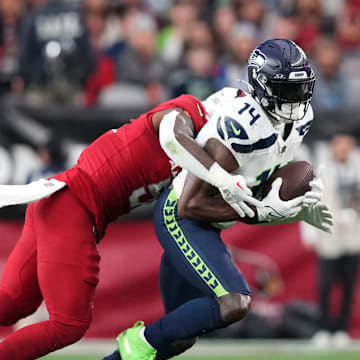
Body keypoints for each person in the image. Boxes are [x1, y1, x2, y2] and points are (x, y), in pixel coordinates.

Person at [104, 39, 333, 360]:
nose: (297, 100)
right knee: (234, 302)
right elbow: (190, 205)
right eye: (287, 89)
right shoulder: (243, 126)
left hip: (210, 222)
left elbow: (265, 172)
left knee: (178, 338)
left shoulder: (301, 118)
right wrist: (260, 212)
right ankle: (139, 338)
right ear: (263, 86)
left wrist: (299, 196)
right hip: (181, 217)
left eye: (301, 88)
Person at [0, 93, 262, 357]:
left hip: (58, 202)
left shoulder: (204, 157)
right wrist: (222, 178)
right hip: (73, 206)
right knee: (69, 323)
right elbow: (173, 134)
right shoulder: (187, 112)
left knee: (13, 302)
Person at [302, 134, 360, 348]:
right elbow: (311, 201)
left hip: (354, 234)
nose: (343, 151)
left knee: (348, 286)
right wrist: (309, 233)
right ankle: (324, 328)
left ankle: (342, 330)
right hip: (329, 232)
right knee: (325, 285)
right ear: (333, 148)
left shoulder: (357, 167)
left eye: (347, 147)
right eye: (339, 147)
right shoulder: (322, 170)